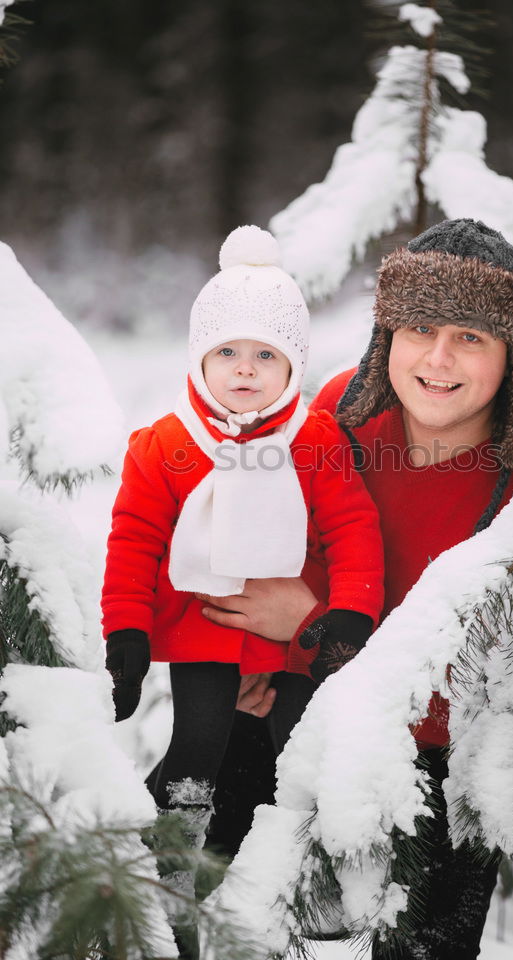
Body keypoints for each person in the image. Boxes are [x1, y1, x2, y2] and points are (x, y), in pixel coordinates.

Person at [199, 218, 513, 959]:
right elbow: (275, 545)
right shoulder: (345, 410)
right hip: (301, 707)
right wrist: (254, 647)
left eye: (470, 337)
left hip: (442, 757)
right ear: (386, 339)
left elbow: (490, 688)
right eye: (417, 328)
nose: (437, 359)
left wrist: (311, 629)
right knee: (201, 873)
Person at [101, 225, 384, 955]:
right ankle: (168, 872)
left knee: (297, 749)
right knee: (198, 742)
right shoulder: (166, 443)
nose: (245, 370)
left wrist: (350, 610)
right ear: (200, 356)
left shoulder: (314, 438)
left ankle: (297, 873)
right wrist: (125, 633)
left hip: (294, 640)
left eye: (266, 354)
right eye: (226, 351)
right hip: (204, 626)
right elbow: (133, 539)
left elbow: (353, 526)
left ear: (293, 362)